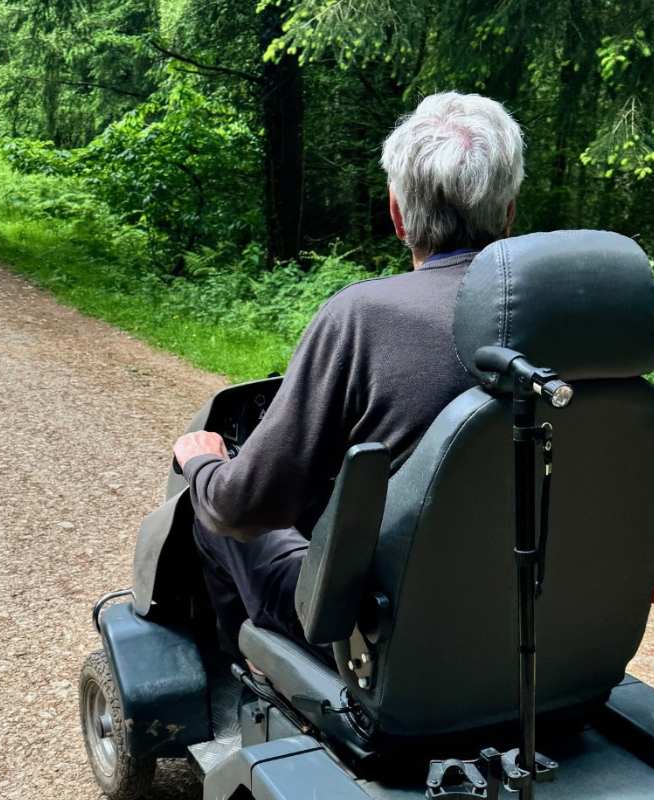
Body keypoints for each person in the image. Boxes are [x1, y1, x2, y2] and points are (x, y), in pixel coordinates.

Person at [173, 92, 526, 660]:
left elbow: (245, 506)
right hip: (530, 620)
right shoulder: (577, 334)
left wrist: (204, 463)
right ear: (509, 211)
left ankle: (259, 682)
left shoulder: (364, 318)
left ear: (396, 214)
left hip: (381, 638)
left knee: (213, 515)